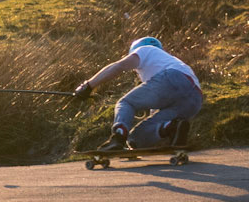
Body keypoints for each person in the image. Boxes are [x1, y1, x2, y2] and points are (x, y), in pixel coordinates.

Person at [75, 35, 203, 153]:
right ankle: (171, 127)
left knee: (125, 103)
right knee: (136, 138)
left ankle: (118, 137)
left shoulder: (145, 49)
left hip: (171, 79)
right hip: (195, 98)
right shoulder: (170, 61)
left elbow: (118, 66)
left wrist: (88, 86)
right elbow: (156, 107)